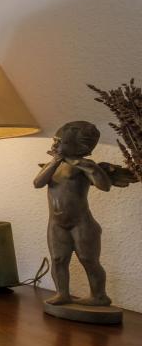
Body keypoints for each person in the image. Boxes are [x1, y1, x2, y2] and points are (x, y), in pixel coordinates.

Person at [33, 121, 134, 306]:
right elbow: (38, 183)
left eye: (59, 141)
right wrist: (55, 161)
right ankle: (62, 294)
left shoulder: (85, 166)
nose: (54, 144)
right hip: (56, 224)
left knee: (88, 260)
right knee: (58, 259)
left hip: (81, 223)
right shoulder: (53, 165)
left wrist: (84, 164)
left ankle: (99, 296)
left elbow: (105, 185)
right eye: (54, 140)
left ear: (79, 147)